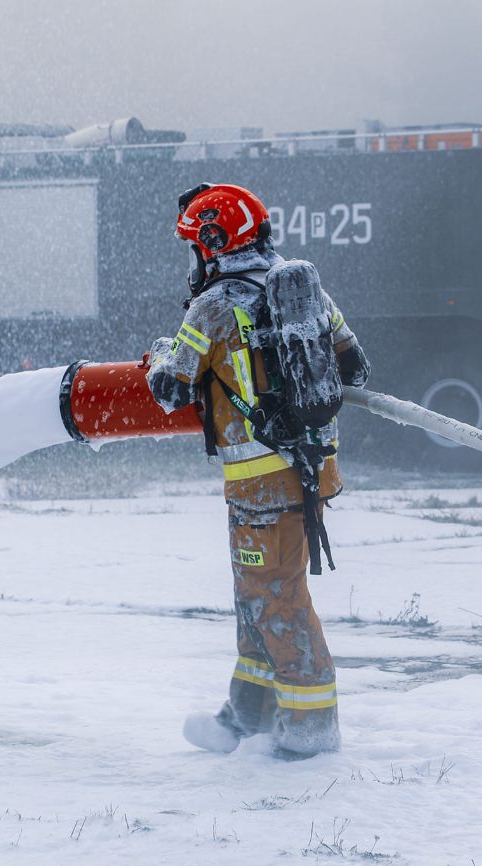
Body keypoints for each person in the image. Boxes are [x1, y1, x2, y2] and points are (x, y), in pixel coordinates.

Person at [144, 183, 370, 760]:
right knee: (258, 597)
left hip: (260, 485)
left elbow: (171, 388)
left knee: (276, 600)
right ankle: (246, 717)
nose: (194, 260)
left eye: (196, 247)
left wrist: (162, 353)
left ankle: (310, 732)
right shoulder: (303, 291)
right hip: (311, 473)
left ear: (214, 243)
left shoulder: (213, 306)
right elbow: (354, 366)